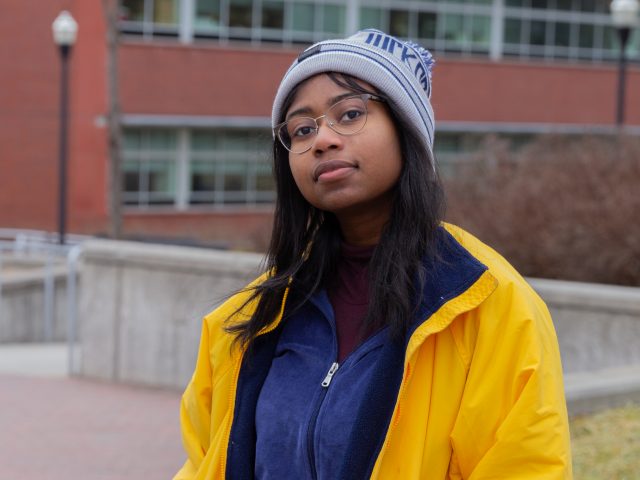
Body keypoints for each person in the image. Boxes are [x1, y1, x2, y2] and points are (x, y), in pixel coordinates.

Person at [174, 29, 572, 479]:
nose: (322, 139)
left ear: (406, 131)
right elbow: (204, 463)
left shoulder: (491, 307)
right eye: (301, 129)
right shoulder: (248, 322)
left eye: (349, 114)